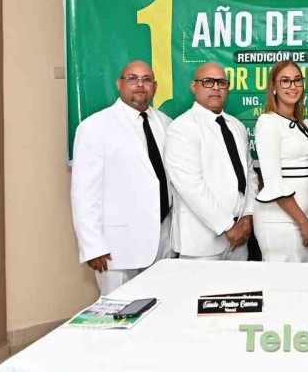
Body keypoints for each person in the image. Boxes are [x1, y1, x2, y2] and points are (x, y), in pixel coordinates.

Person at [70, 60, 173, 295]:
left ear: (155, 87)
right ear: (119, 84)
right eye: (132, 78)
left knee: (161, 307)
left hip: (163, 241)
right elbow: (84, 192)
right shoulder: (95, 127)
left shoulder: (166, 124)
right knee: (117, 312)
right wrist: (93, 246)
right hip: (117, 247)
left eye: (147, 80)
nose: (140, 84)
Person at [164, 62, 259, 260]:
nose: (216, 87)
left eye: (221, 82)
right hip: (201, 242)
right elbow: (190, 186)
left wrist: (248, 215)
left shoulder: (236, 126)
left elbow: (249, 174)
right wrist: (227, 226)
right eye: (208, 82)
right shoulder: (182, 127)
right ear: (194, 86)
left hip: (240, 237)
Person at [253, 61, 308, 262]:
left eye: (297, 80)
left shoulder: (307, 124)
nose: (293, 86)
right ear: (273, 87)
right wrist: (303, 223)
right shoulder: (268, 122)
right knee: (282, 279)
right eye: (285, 81)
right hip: (279, 221)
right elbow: (273, 182)